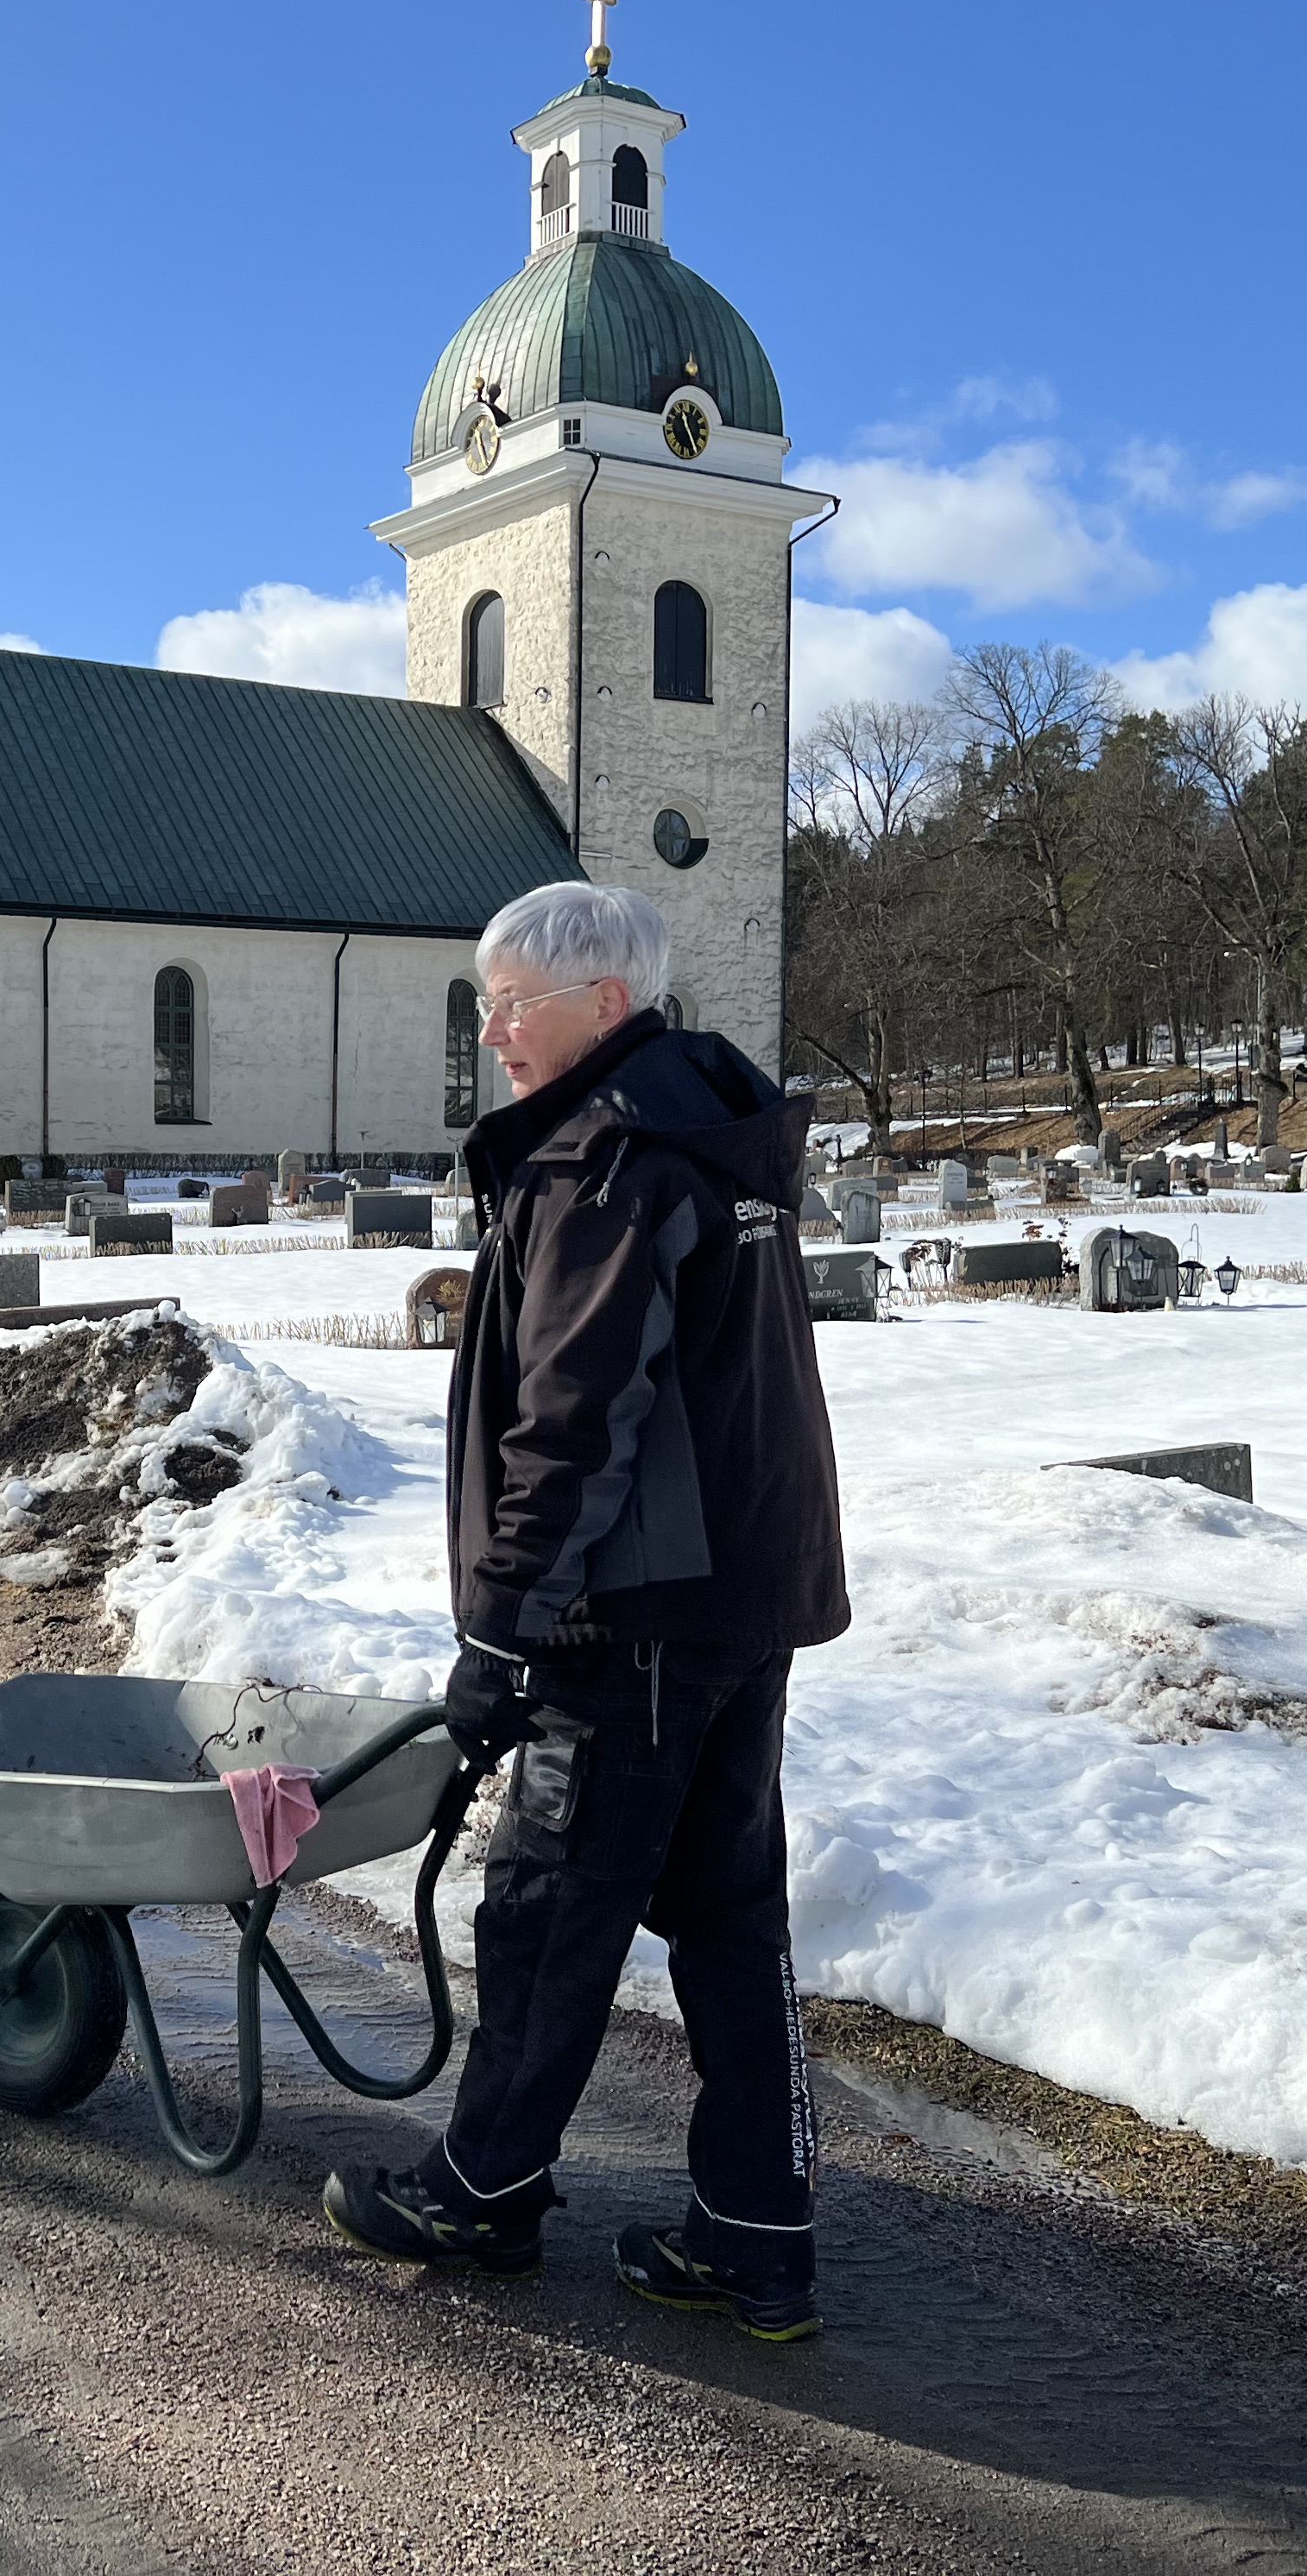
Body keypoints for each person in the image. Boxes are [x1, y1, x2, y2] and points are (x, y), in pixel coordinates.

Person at [322, 881, 848, 2341]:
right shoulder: (698, 1133)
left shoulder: (609, 1159)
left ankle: (479, 2193)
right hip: (739, 1592)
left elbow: (575, 1423)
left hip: (631, 1616)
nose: (488, 1030)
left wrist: (501, 1628)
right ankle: (755, 2234)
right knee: (733, 1917)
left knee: (552, 1908)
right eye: (485, 1002)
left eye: (510, 1003)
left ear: (602, 1005)